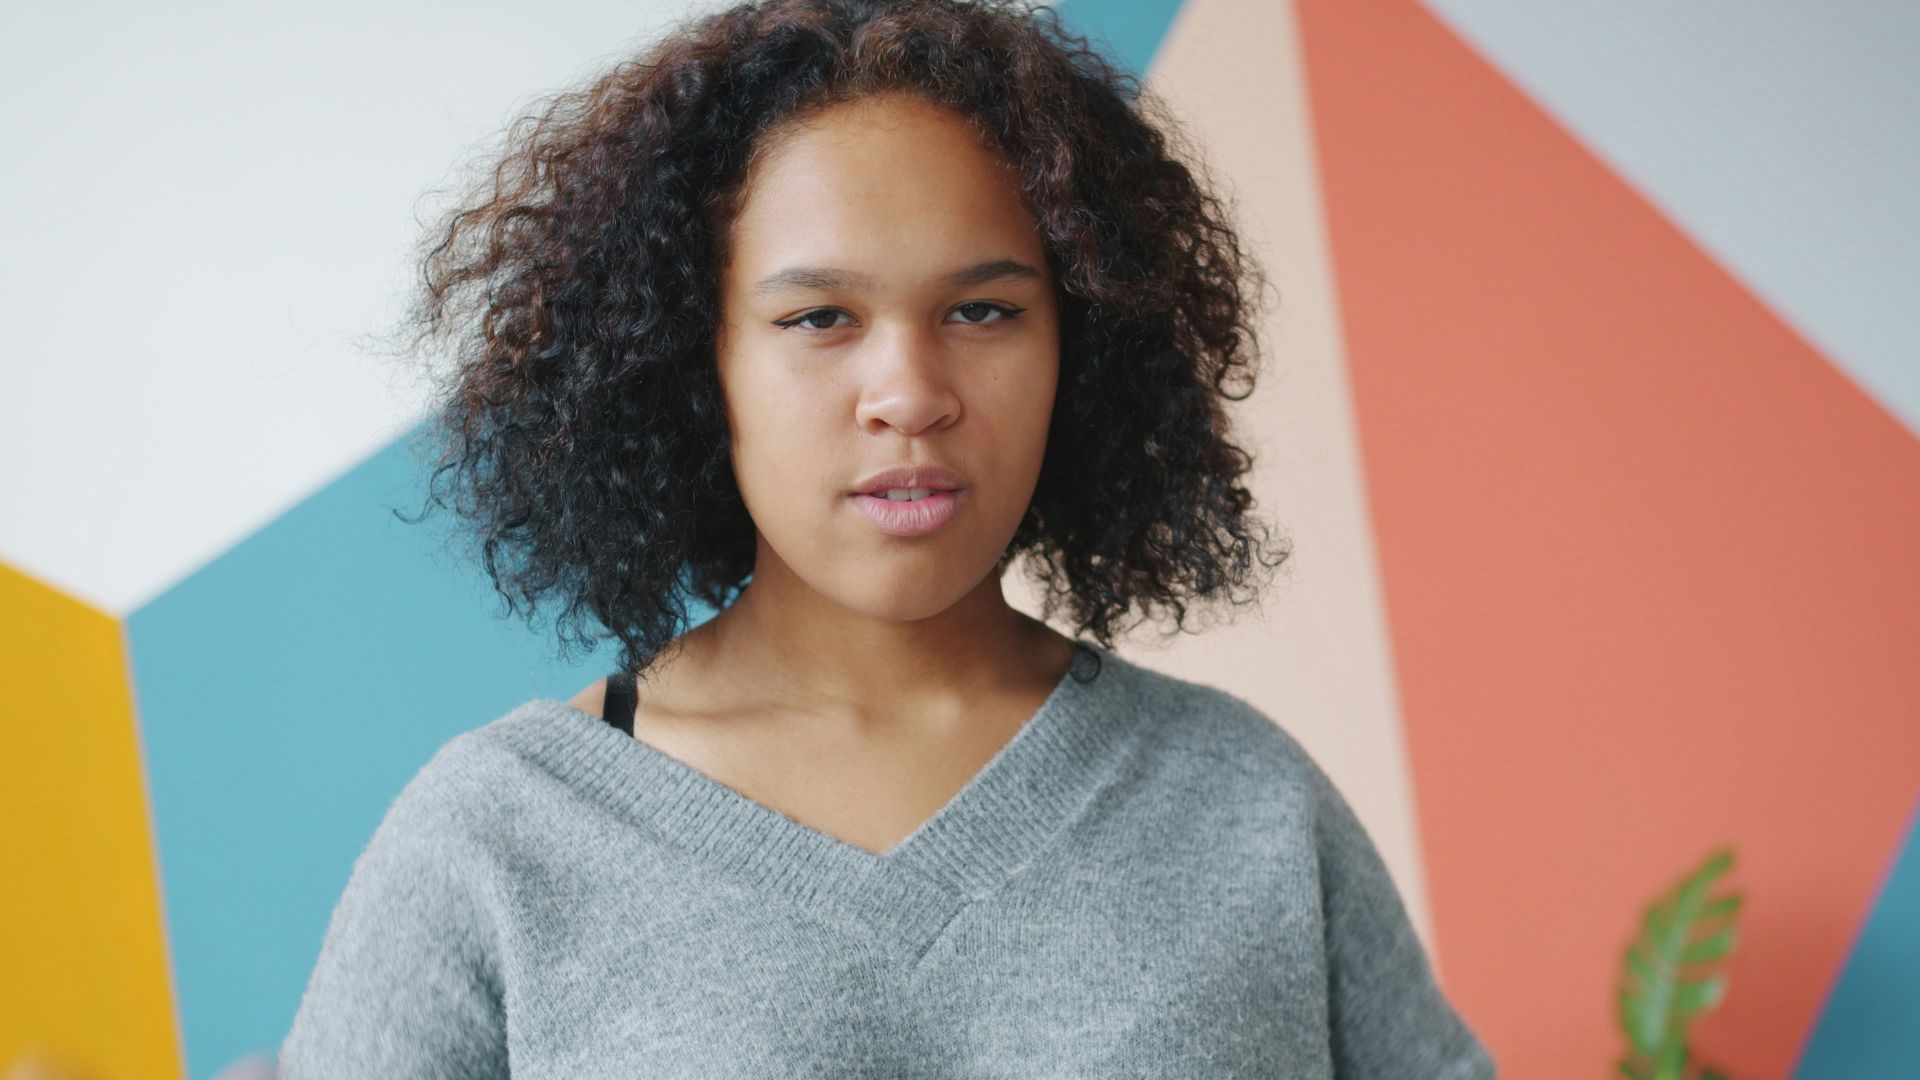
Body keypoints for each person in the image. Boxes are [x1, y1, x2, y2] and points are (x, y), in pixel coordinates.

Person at [280, 0, 1497, 1076]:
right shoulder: (495, 841)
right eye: (818, 317)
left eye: (984, 310)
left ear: (1081, 347)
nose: (909, 390)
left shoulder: (1247, 806)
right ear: (694, 364)